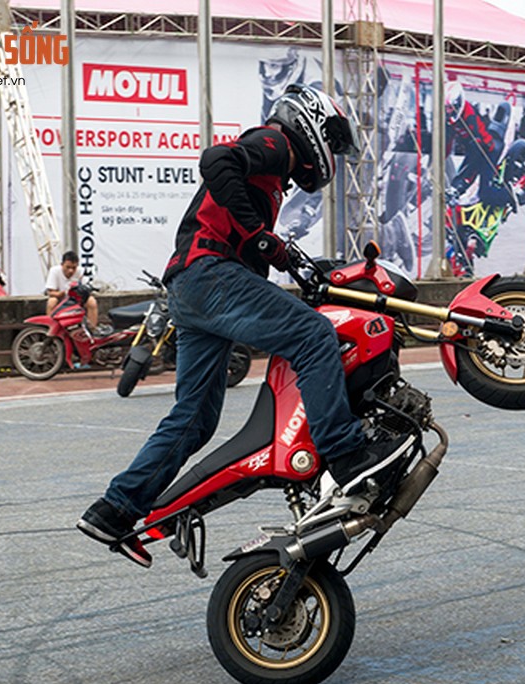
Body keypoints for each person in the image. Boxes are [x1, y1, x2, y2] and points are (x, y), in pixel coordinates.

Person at [77, 84, 409, 568]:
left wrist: (281, 252)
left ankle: (114, 509)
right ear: (310, 120)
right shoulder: (277, 145)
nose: (332, 152)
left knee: (194, 419)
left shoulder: (274, 176)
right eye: (332, 139)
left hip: (192, 290)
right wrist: (259, 235)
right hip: (209, 275)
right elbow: (216, 161)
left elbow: (249, 235)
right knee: (316, 336)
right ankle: (344, 452)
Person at [45, 250, 107, 333]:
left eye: (73, 268)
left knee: (92, 302)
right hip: (61, 299)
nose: (71, 271)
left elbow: (87, 289)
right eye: (68, 267)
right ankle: (50, 328)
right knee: (51, 301)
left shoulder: (80, 272)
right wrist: (62, 293)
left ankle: (92, 329)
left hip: (76, 299)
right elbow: (51, 292)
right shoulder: (54, 271)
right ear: (62, 265)